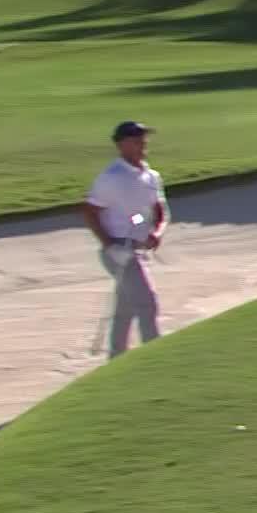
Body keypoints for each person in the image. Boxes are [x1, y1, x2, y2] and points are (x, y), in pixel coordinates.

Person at [80, 120, 168, 360]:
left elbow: (158, 210)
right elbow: (90, 211)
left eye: (143, 138)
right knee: (147, 304)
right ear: (121, 145)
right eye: (136, 139)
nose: (143, 143)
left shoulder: (151, 176)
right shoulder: (111, 178)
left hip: (138, 249)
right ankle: (155, 359)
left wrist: (156, 233)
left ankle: (116, 359)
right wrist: (109, 245)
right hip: (119, 250)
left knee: (125, 309)